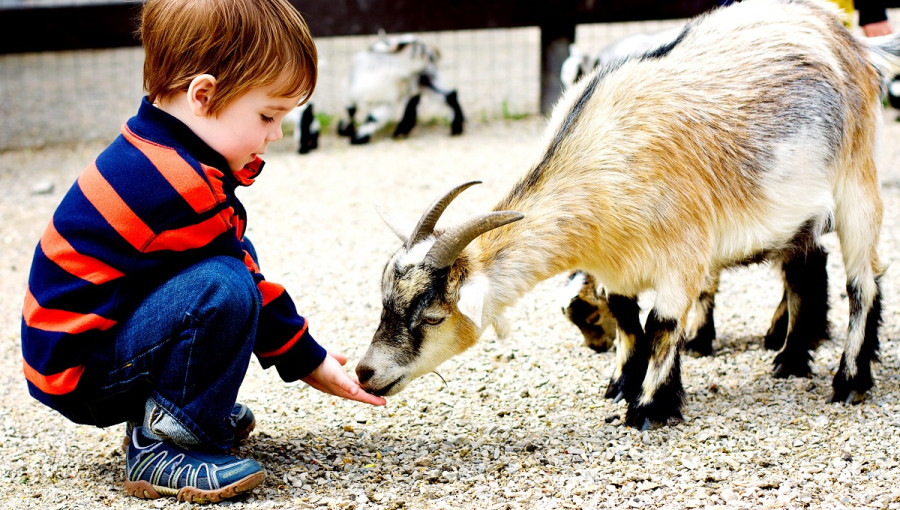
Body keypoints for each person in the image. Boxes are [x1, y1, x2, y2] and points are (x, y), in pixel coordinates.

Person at [20, 0, 386, 503]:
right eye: (268, 114)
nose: (276, 133)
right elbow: (243, 274)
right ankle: (165, 442)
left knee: (219, 277)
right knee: (224, 288)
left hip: (75, 353)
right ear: (204, 95)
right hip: (83, 372)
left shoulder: (154, 149)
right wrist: (310, 361)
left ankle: (179, 405)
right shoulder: (178, 184)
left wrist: (303, 354)